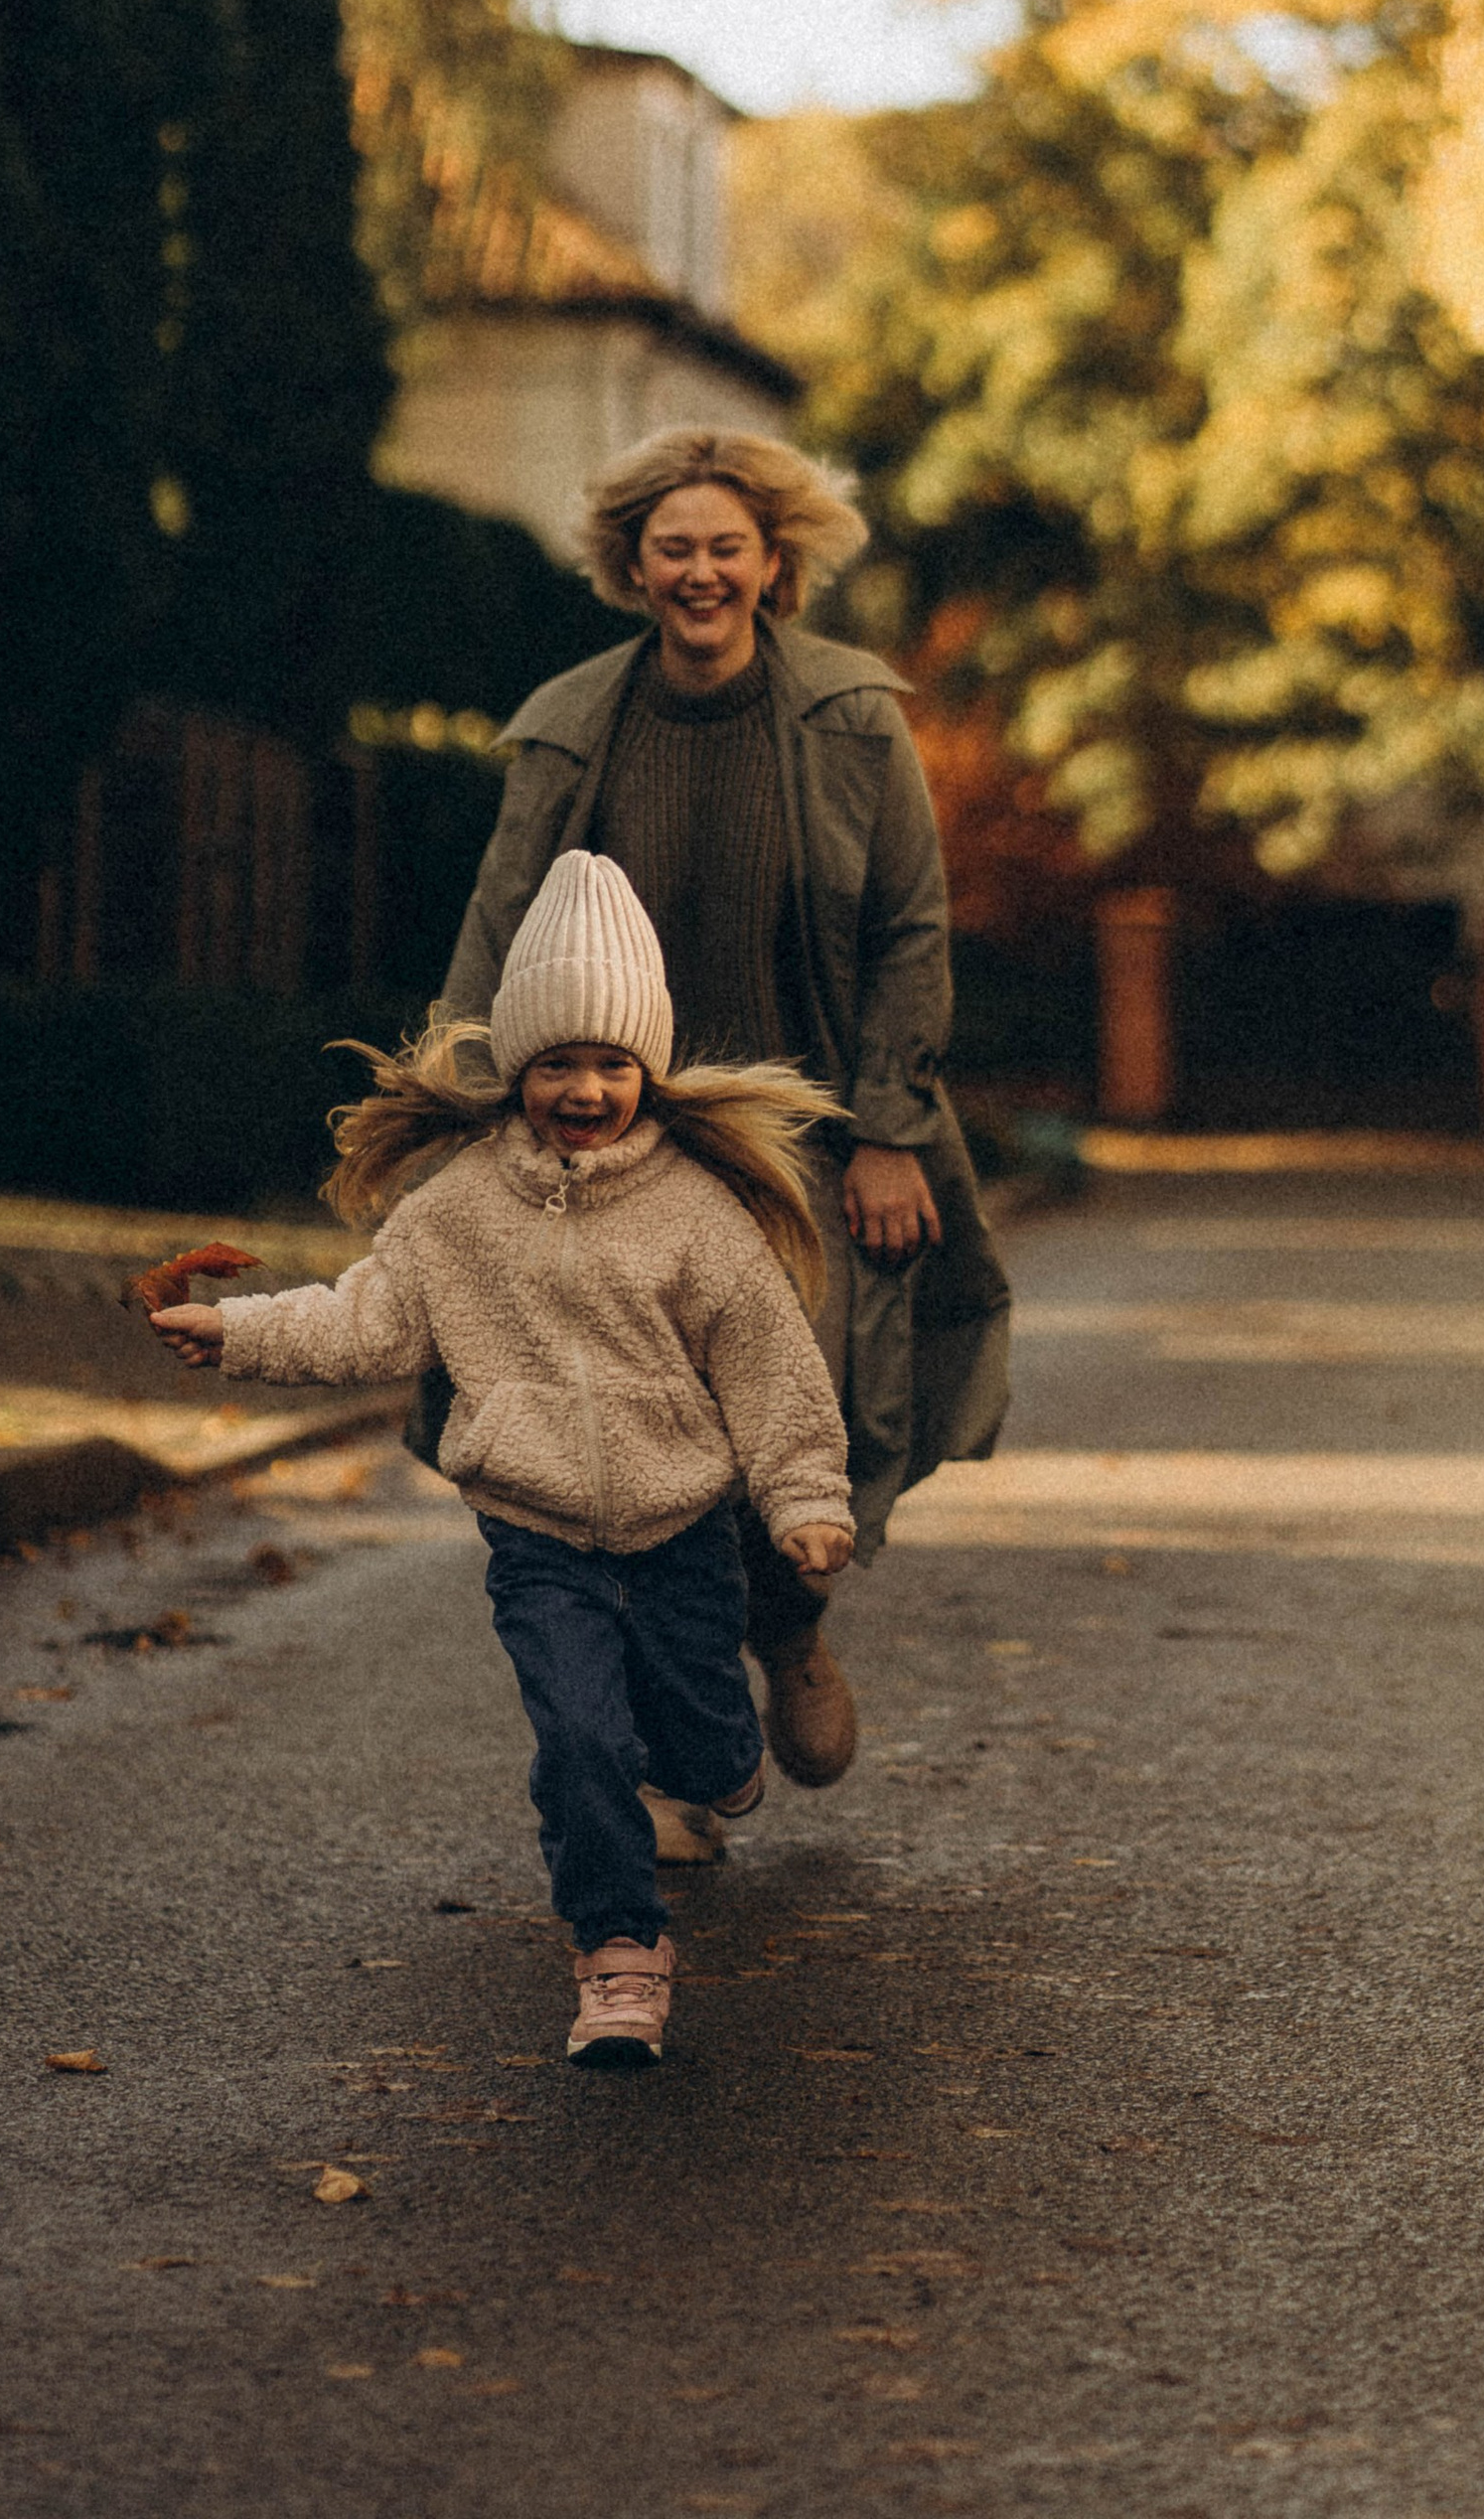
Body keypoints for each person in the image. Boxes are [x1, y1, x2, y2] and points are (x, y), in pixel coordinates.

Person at [151, 850, 852, 2069]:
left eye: (611, 1064)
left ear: (648, 1071)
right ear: (517, 1068)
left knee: (702, 1743)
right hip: (537, 1537)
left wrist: (803, 1497)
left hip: (683, 1528)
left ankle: (721, 1760)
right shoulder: (456, 1208)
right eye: (556, 1063)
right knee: (579, 1739)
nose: (584, 1089)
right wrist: (240, 1332)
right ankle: (618, 1953)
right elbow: (367, 1320)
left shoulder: (697, 1212)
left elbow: (769, 1363)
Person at [439, 426, 1009, 1804]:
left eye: (726, 548)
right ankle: (668, 1766)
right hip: (610, 1136)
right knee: (619, 1441)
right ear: (632, 565)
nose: (700, 572)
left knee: (795, 1421)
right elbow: (498, 929)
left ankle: (791, 1631)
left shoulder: (853, 717)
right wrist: (460, 1116)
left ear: (773, 562)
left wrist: (888, 1131)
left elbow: (910, 929)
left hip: (803, 1142)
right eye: (674, 548)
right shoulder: (571, 723)